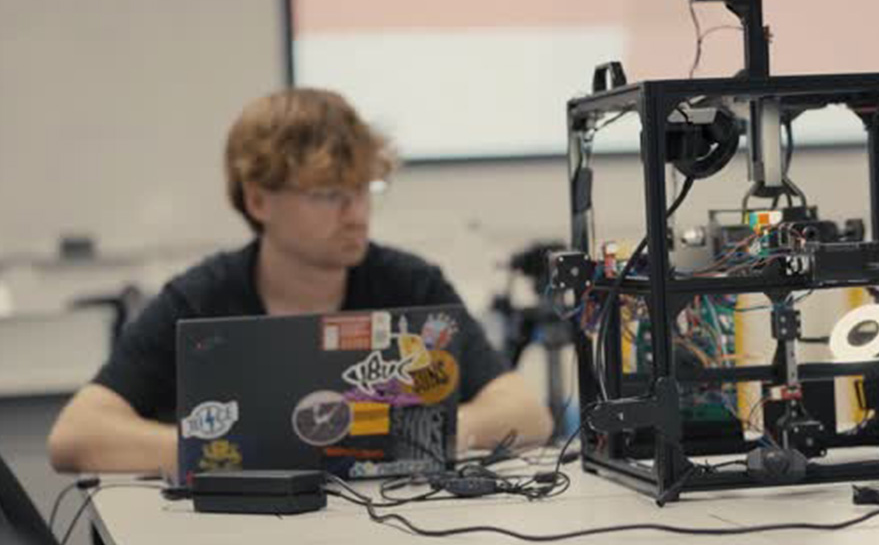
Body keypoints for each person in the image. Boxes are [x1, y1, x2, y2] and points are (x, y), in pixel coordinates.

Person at [47, 88, 553, 477]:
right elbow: (75, 435)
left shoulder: (411, 287)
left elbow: (527, 413)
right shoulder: (202, 299)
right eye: (330, 195)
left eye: (363, 190)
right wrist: (223, 453)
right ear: (258, 200)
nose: (357, 214)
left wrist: (433, 434)